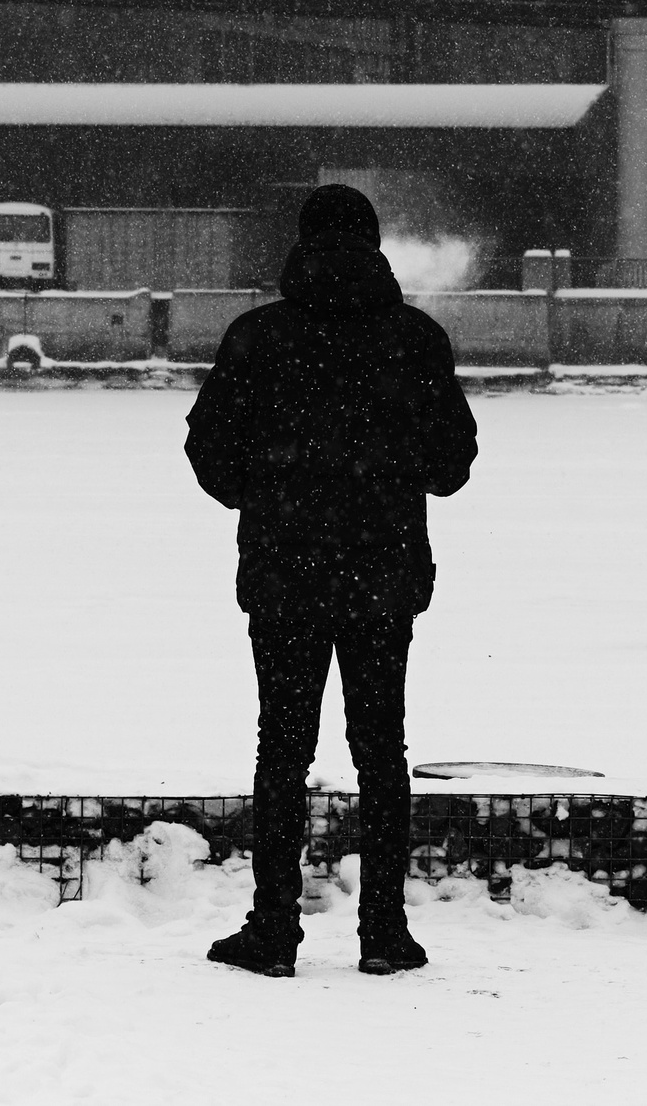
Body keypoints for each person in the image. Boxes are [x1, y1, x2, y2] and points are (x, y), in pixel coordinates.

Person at [184, 184, 478, 978]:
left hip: (285, 575)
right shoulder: (413, 340)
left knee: (281, 748)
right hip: (382, 575)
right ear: (374, 244)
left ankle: (273, 929)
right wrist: (382, 479)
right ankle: (384, 932)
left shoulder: (260, 338)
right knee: (383, 749)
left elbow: (208, 451)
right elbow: (454, 465)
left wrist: (274, 497)